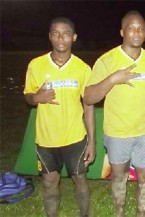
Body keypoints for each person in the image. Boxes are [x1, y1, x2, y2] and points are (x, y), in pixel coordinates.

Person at [83, 11, 145, 217]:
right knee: (118, 176)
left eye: (141, 28)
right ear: (122, 32)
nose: (137, 32)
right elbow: (88, 97)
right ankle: (120, 211)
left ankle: (141, 212)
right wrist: (113, 79)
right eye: (132, 28)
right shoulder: (106, 61)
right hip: (117, 132)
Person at [23, 17, 95, 217]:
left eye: (65, 33)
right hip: (46, 140)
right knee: (49, 181)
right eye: (55, 33)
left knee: (80, 179)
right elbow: (28, 96)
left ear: (74, 37)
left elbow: (88, 105)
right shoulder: (36, 65)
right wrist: (36, 97)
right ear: (49, 36)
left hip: (75, 137)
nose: (60, 38)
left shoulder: (83, 68)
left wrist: (92, 142)